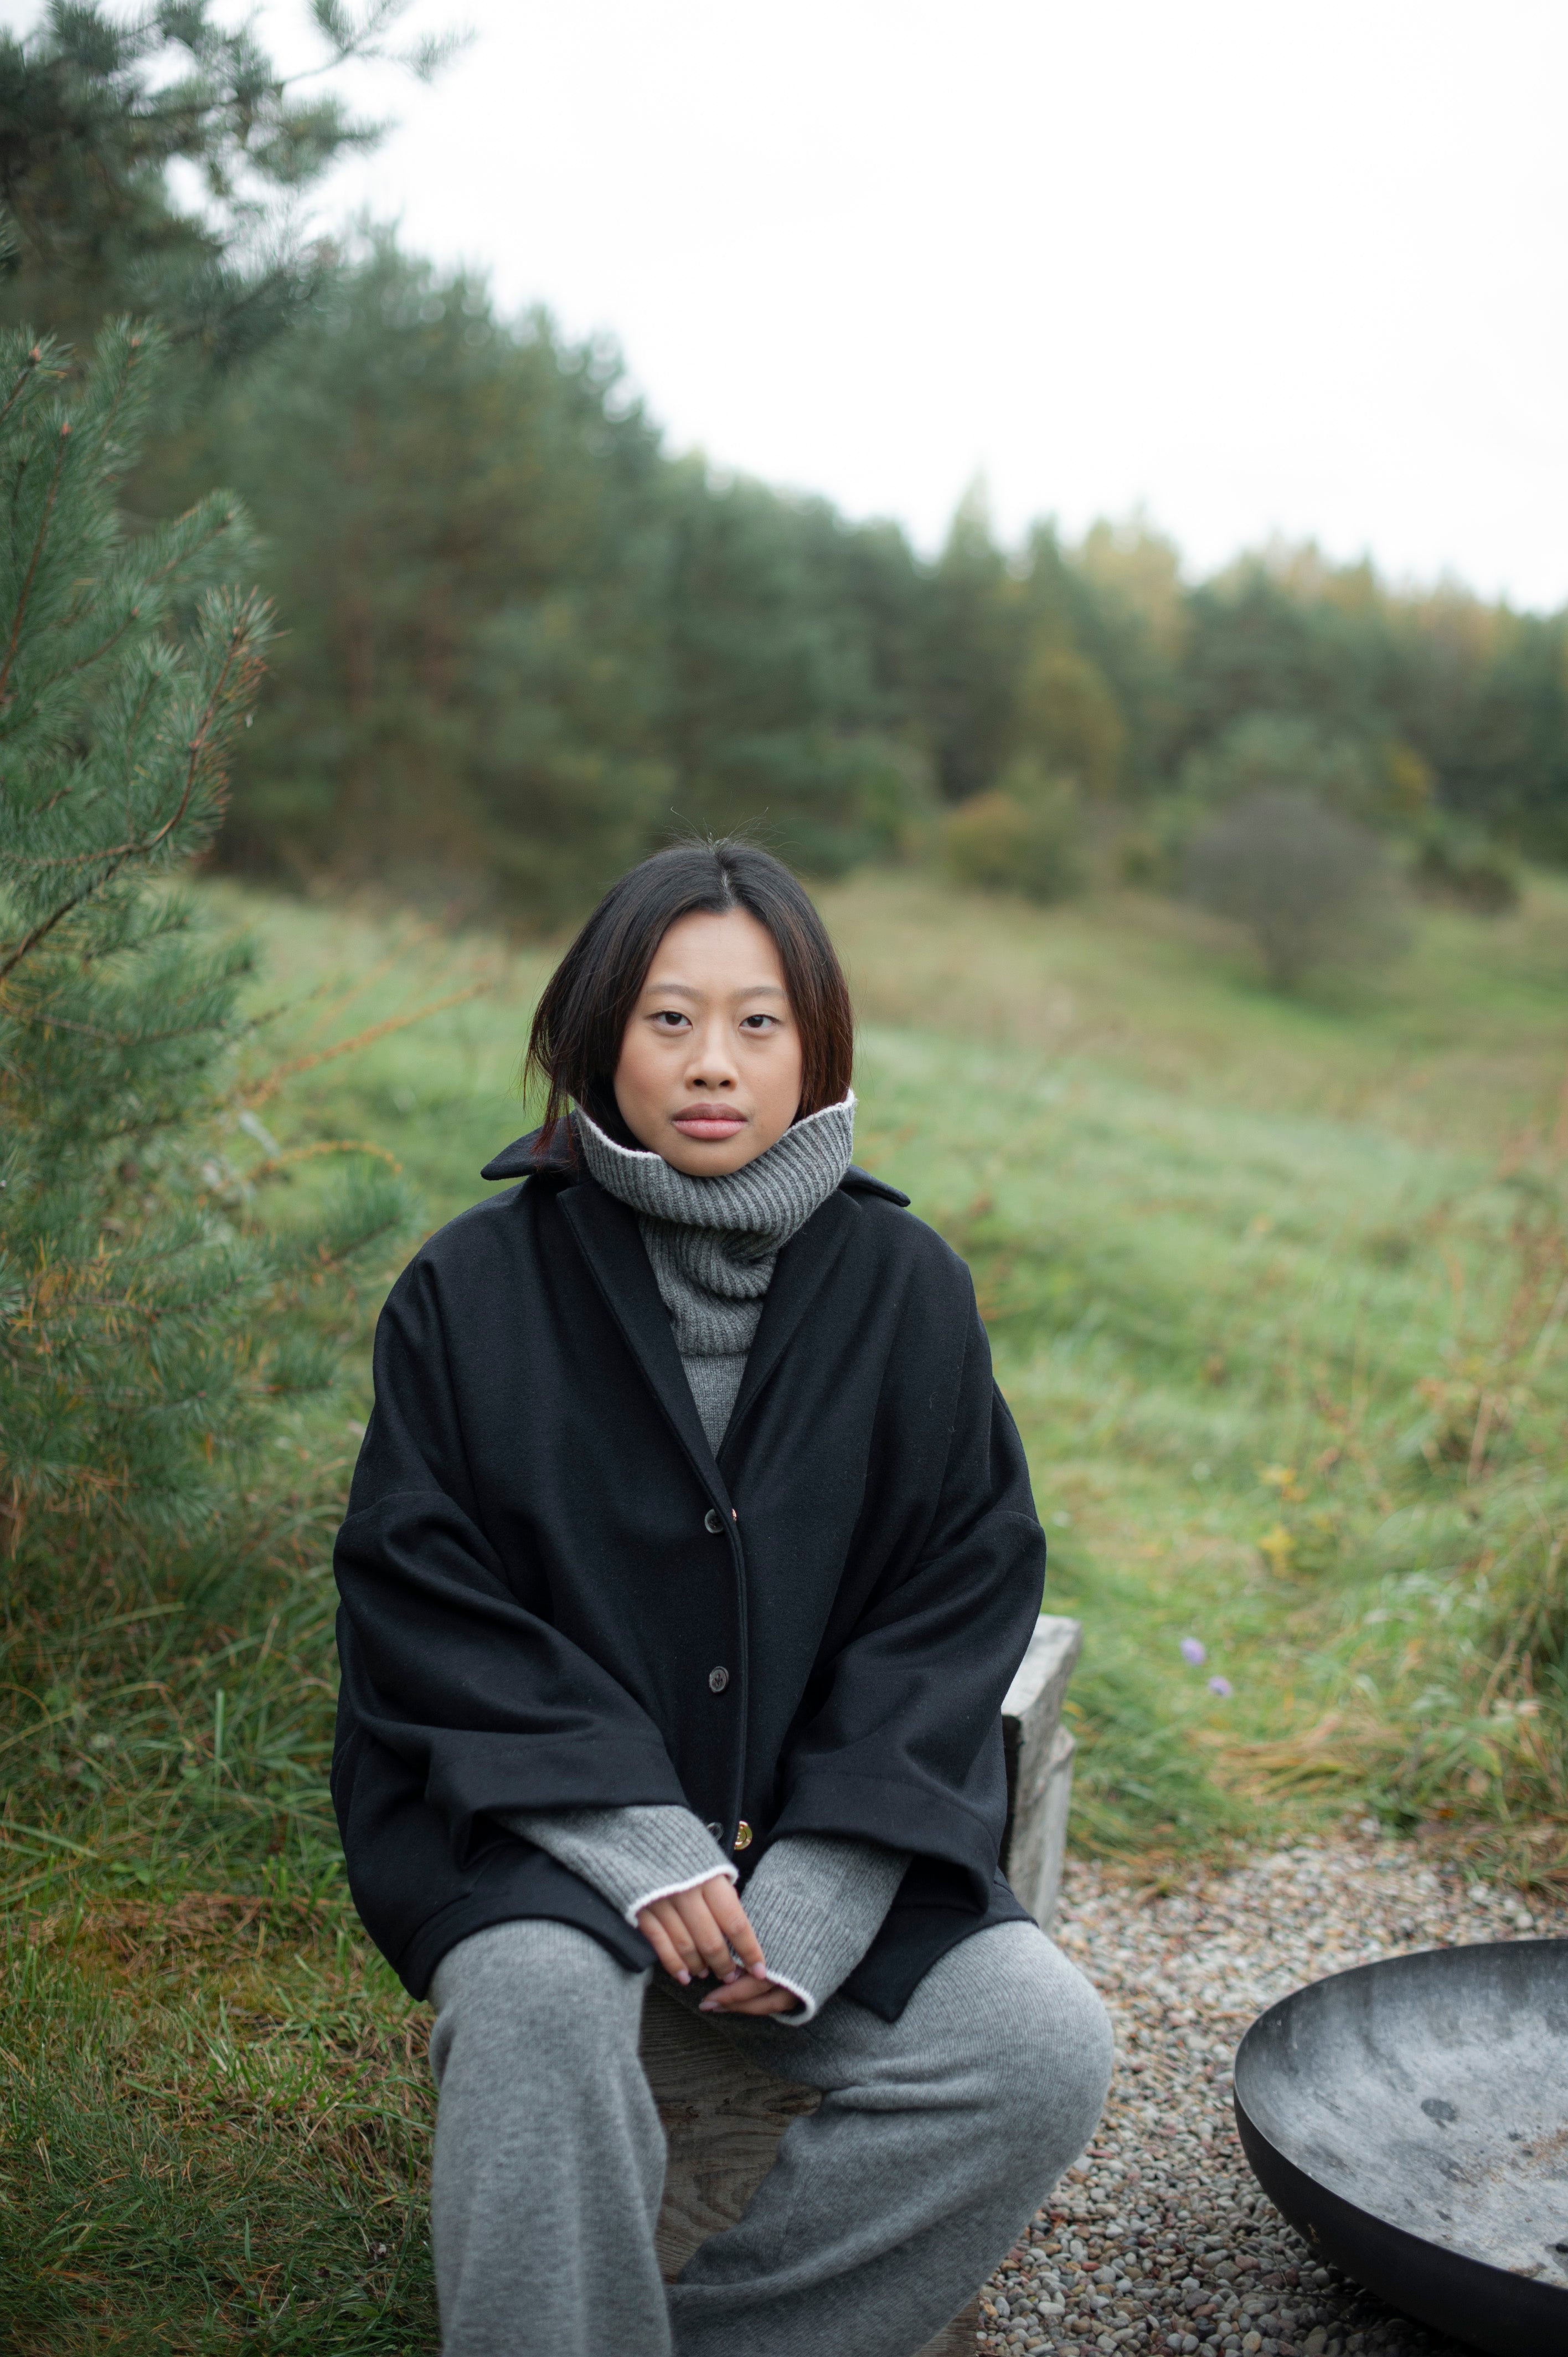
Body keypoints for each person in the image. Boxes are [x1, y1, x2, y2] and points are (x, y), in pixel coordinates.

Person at [331, 840, 1112, 2357]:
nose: (713, 1064)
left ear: (815, 1047)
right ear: (596, 1035)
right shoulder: (472, 1287)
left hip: (818, 1832)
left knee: (1039, 2047)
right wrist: (626, 1838)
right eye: (667, 1018)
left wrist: (828, 1879)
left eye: (759, 1023)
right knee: (544, 2007)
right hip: (532, 1839)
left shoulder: (908, 1290)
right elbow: (418, 1593)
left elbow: (959, 1596)